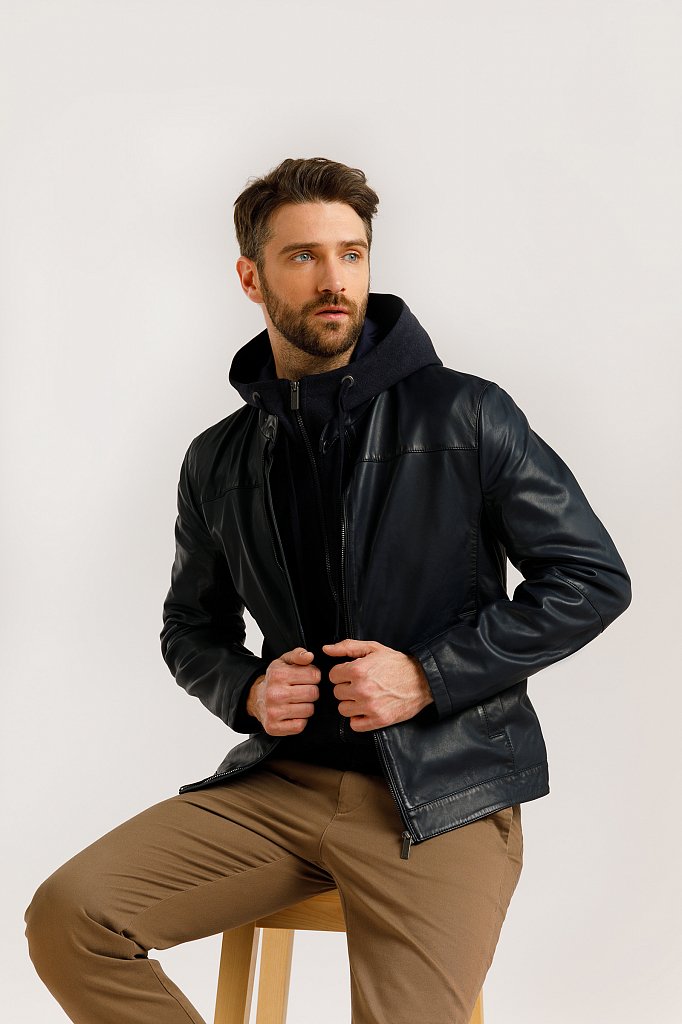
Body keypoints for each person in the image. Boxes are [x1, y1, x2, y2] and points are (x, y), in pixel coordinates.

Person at [24, 156, 632, 1024]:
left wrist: (428, 676)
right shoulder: (219, 458)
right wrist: (247, 689)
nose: (334, 279)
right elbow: (189, 625)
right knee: (71, 919)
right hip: (280, 790)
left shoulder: (467, 414)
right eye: (304, 256)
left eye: (351, 254)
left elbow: (590, 576)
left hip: (443, 793)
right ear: (251, 278)